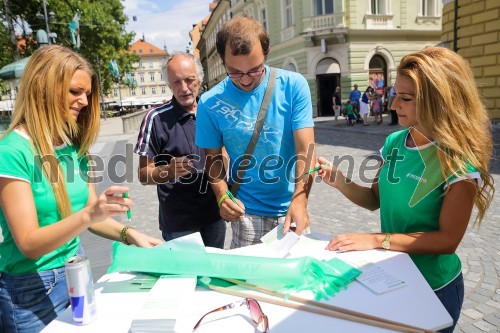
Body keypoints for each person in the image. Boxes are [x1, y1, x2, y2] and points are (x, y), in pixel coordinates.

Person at [317, 46, 495, 333]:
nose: (392, 104)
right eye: (394, 94)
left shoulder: (458, 164)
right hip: (394, 277)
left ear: (438, 102)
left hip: (435, 289)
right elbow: (374, 199)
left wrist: (376, 240)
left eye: (406, 98)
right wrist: (339, 179)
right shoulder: (395, 143)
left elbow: (447, 241)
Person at [0, 45, 163, 333]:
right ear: (44, 89)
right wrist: (90, 214)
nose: (85, 101)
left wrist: (130, 234)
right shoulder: (12, 151)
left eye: (87, 93)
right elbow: (28, 243)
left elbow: (93, 215)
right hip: (30, 289)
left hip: (76, 274)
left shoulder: (75, 148)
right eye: (75, 92)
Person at [196, 16, 315, 249]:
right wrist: (222, 196)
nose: (246, 81)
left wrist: (300, 200)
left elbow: (306, 149)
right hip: (246, 213)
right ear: (222, 60)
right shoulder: (210, 102)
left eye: (254, 70)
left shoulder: (294, 86)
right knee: (246, 284)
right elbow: (212, 160)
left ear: (267, 51)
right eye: (235, 72)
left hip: (292, 208)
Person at [134, 51, 225, 248]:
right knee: (185, 278)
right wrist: (168, 171)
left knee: (213, 276)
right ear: (168, 84)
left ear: (200, 79)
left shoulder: (214, 112)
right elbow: (143, 174)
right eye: (176, 82)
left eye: (189, 80)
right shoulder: (155, 118)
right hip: (179, 224)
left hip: (215, 216)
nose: (184, 88)